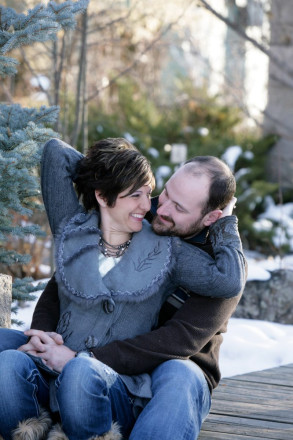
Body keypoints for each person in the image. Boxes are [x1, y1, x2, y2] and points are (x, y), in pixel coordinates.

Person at [0, 138, 246, 440]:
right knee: (8, 349)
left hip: (175, 359)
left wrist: (82, 357)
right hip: (94, 348)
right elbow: (65, 283)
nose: (160, 206)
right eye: (165, 192)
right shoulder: (142, 213)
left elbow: (175, 341)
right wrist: (115, 173)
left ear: (211, 218)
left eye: (178, 207)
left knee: (177, 376)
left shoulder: (218, 261)